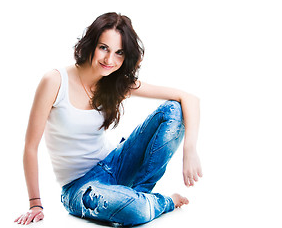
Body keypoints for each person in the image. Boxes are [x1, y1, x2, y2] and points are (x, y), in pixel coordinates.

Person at [14, 12, 202, 226]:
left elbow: (188, 99)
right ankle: (153, 203)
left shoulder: (115, 84)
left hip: (116, 163)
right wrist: (35, 204)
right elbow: (30, 146)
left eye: (119, 52)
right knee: (135, 212)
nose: (109, 60)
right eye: (104, 48)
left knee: (173, 109)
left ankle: (140, 196)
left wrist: (190, 149)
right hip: (79, 187)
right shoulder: (55, 81)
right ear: (91, 43)